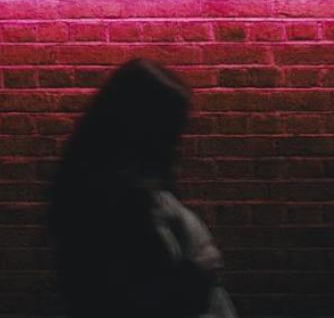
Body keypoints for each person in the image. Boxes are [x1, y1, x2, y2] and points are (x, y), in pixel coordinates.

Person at [48, 58, 237, 318]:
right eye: (171, 131)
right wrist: (198, 273)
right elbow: (128, 300)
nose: (177, 144)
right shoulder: (112, 202)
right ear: (142, 129)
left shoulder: (133, 192)